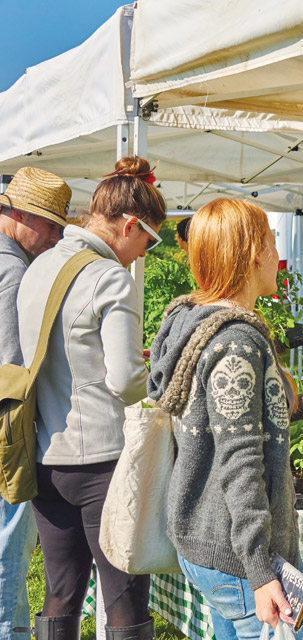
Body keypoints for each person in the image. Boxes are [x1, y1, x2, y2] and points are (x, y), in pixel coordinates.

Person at [147, 198, 303, 640]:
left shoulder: (198, 322)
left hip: (207, 537)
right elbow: (239, 462)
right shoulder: (235, 340)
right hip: (237, 553)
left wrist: (298, 404)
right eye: (273, 240)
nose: (278, 252)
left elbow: (223, 415)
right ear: (256, 252)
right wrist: (260, 571)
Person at [18, 157, 165, 640]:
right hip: (103, 464)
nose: (143, 253)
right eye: (149, 239)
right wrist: (164, 390)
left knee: (61, 594)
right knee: (123, 598)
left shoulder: (39, 266)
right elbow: (124, 380)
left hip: (45, 456)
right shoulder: (109, 277)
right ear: (128, 224)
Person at [0, 167, 70, 640]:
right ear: (19, 214)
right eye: (50, 226)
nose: (55, 237)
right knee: (7, 546)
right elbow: (13, 369)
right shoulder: (11, 270)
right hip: (7, 431)